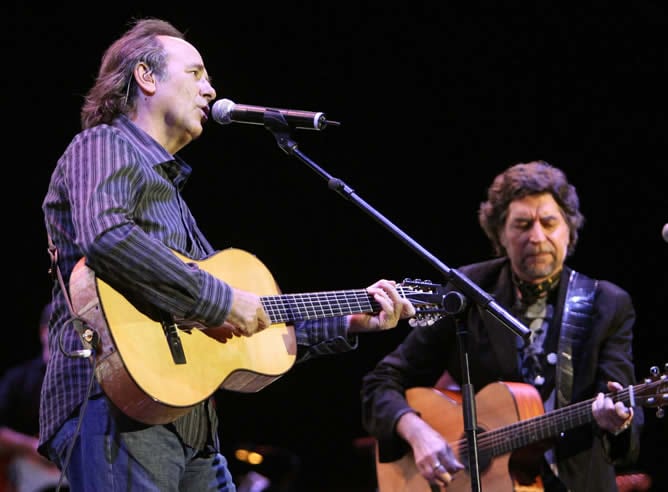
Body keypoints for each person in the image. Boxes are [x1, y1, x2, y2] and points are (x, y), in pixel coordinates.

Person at [39, 17, 416, 492]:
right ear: (146, 77)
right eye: (196, 74)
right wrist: (219, 302)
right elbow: (109, 236)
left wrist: (350, 319)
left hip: (192, 424)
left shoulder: (173, 200)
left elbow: (248, 326)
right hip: (113, 404)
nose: (211, 90)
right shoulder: (102, 144)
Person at [361, 160, 644, 491]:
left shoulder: (607, 304)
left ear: (569, 229)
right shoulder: (469, 289)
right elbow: (381, 383)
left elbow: (627, 419)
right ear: (500, 233)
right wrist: (415, 430)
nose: (537, 237)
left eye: (549, 223)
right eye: (522, 225)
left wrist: (618, 423)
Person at [0, 303, 68, 492]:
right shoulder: (18, 380)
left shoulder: (89, 380)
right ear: (43, 332)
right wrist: (31, 446)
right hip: (30, 474)